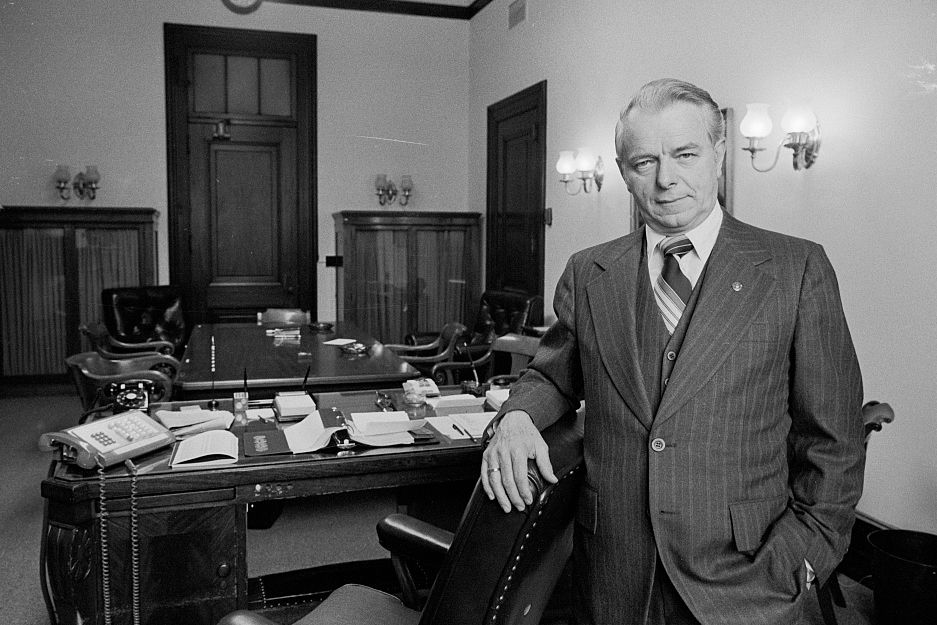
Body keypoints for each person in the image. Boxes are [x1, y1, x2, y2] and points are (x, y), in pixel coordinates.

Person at [480, 78, 865, 625]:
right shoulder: (589, 272)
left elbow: (834, 437)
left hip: (751, 579)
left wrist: (803, 559)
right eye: (644, 162)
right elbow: (554, 375)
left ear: (720, 154)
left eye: (685, 154)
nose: (666, 179)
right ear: (622, 172)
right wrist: (517, 416)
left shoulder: (795, 269)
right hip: (616, 574)